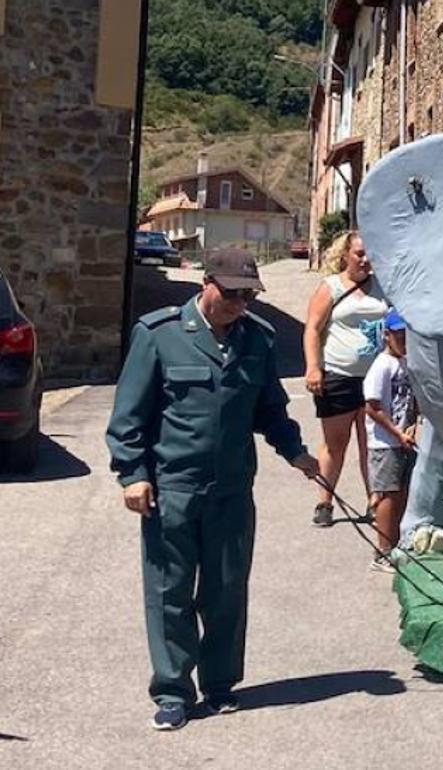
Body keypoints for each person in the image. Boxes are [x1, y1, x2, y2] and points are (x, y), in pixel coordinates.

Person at [105, 248, 319, 731]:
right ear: (206, 283)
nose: (240, 303)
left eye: (248, 295)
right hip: (172, 487)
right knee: (170, 591)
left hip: (231, 489)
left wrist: (297, 453)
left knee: (225, 590)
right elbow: (128, 419)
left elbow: (270, 411)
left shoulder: (257, 341)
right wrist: (132, 474)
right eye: (232, 293)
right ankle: (173, 691)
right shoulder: (158, 336)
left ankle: (220, 683)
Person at [303, 230, 388, 527]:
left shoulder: (384, 287)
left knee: (373, 446)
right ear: (345, 255)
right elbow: (312, 328)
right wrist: (313, 367)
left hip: (376, 380)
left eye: (369, 255)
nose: (365, 260)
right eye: (359, 254)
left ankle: (375, 503)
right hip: (338, 376)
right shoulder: (331, 287)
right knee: (335, 444)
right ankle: (324, 502)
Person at [362, 308, 419, 573]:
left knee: (402, 494)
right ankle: (382, 551)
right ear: (387, 335)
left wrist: (412, 427)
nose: (404, 340)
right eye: (399, 335)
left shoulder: (405, 362)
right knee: (388, 495)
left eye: (408, 335)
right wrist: (397, 432)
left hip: (405, 439)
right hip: (385, 442)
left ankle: (397, 543)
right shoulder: (381, 366)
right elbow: (373, 408)